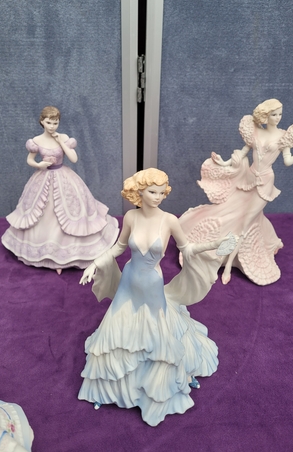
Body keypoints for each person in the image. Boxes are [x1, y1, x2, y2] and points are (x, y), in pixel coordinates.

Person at [78, 168, 227, 427]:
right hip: (128, 283)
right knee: (116, 334)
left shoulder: (169, 220)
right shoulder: (131, 217)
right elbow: (119, 247)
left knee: (158, 338)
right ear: (140, 192)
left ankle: (157, 389)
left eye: (161, 192)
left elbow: (187, 248)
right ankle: (108, 389)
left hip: (152, 286)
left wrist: (214, 245)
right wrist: (94, 264)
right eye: (152, 192)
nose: (158, 197)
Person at [179, 99, 293, 286]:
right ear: (265, 115)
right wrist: (224, 163)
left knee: (245, 223)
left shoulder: (283, 137)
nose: (278, 118)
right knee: (230, 212)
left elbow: (287, 162)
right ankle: (221, 255)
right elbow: (243, 152)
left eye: (280, 114)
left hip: (265, 182)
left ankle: (228, 264)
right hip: (249, 177)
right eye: (274, 114)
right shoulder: (256, 131)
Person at [1, 106, 118, 274]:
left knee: (69, 210)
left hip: (64, 177)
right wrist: (39, 164)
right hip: (43, 178)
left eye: (55, 123)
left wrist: (61, 142)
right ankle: (47, 255)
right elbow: (30, 160)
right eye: (49, 122)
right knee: (42, 213)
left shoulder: (64, 138)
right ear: (42, 121)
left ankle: (67, 257)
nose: (52, 126)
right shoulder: (36, 141)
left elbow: (74, 158)